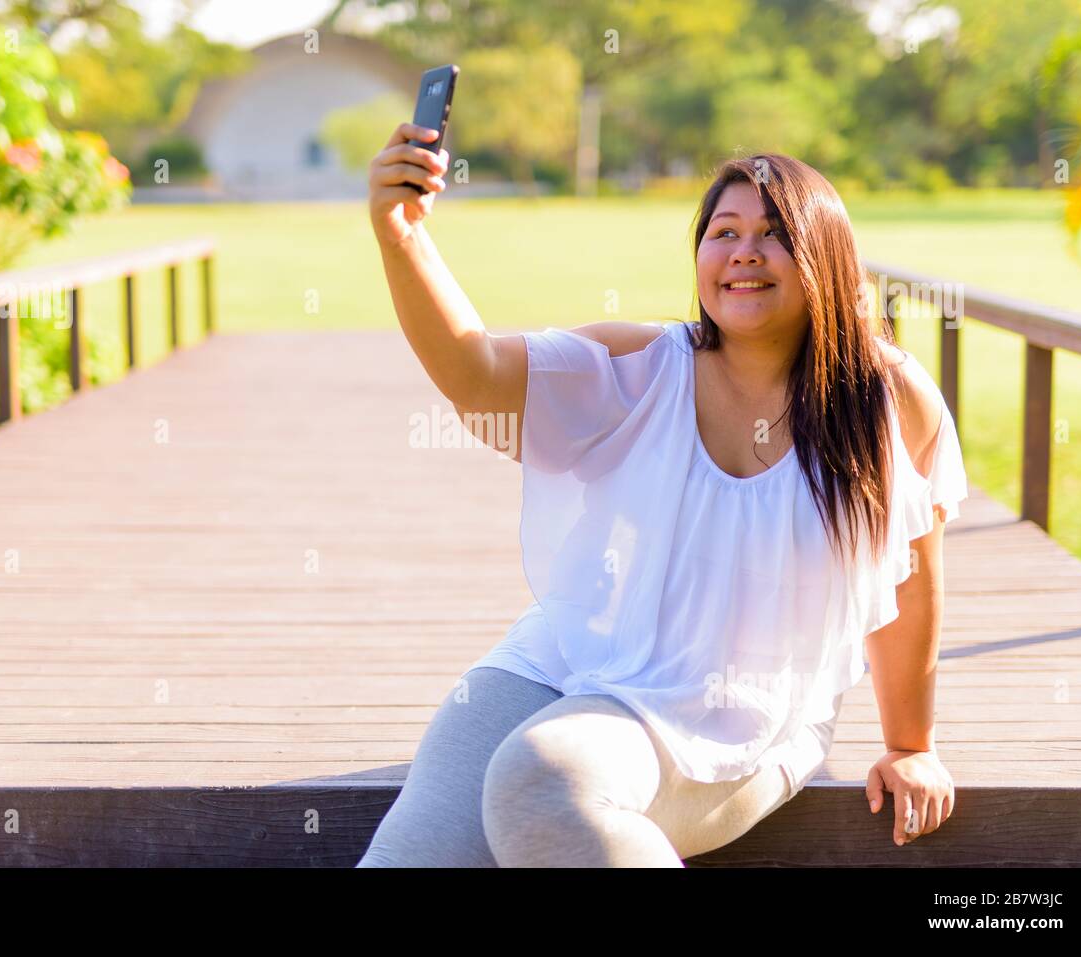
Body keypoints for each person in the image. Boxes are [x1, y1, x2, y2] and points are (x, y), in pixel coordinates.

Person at [358, 123, 966, 867]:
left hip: (736, 712)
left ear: (826, 259)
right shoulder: (643, 366)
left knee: (541, 782)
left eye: (775, 234)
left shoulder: (890, 400)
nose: (744, 250)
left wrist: (911, 745)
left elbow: (908, 582)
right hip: (560, 659)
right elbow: (477, 372)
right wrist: (401, 235)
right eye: (724, 231)